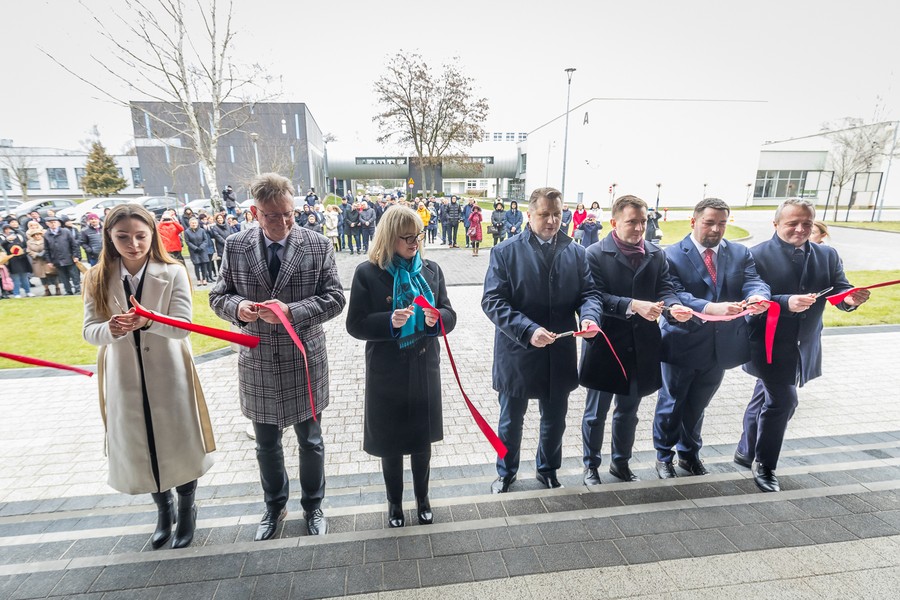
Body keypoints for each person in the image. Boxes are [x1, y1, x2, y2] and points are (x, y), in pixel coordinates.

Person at [209, 173, 345, 539]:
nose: (284, 222)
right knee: (266, 444)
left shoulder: (317, 245)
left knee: (311, 441)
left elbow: (335, 298)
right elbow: (218, 296)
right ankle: (274, 507)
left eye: (289, 213)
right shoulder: (235, 246)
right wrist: (239, 309)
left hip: (304, 360)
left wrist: (291, 312)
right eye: (273, 216)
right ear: (255, 212)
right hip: (258, 363)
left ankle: (314, 507)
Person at [82, 204, 215, 550]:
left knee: (178, 441)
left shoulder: (172, 272)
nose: (133, 244)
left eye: (141, 236)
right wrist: (110, 329)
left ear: (152, 235)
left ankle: (186, 509)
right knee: (143, 444)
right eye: (123, 237)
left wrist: (149, 320)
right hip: (123, 375)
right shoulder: (96, 277)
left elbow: (183, 326)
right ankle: (162, 509)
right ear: (109, 237)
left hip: (169, 372)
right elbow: (89, 331)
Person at [737, 198, 869, 492]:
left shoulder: (827, 255)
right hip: (767, 343)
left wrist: (849, 299)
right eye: (792, 223)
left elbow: (839, 287)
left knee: (765, 396)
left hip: (805, 343)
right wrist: (785, 302)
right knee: (784, 401)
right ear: (775, 225)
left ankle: (745, 450)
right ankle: (765, 465)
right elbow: (750, 296)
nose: (800, 229)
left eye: (807, 223)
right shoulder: (754, 255)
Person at [482, 187, 602, 493]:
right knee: (511, 420)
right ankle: (505, 472)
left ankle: (547, 469)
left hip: (558, 350)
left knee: (555, 419)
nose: (551, 221)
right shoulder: (505, 252)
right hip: (517, 350)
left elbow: (589, 293)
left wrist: (589, 317)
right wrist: (527, 329)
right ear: (529, 214)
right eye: (544, 214)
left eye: (557, 214)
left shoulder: (576, 252)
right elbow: (493, 301)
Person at [346, 206, 455, 528]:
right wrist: (389, 323)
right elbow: (355, 324)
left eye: (418, 235)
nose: (414, 243)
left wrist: (438, 320)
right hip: (387, 370)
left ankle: (423, 498)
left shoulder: (432, 270)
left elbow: (449, 312)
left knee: (421, 441)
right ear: (389, 237)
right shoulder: (368, 272)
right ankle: (394, 503)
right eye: (406, 237)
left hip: (423, 366)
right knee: (390, 443)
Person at [578, 195, 692, 485]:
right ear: (614, 222)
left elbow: (665, 288)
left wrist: (673, 306)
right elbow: (594, 296)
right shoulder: (593, 253)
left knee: (629, 412)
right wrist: (632, 305)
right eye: (632, 221)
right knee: (595, 414)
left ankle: (620, 463)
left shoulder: (656, 253)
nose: (640, 227)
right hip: (606, 344)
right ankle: (591, 465)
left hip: (642, 346)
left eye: (644, 221)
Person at [653, 198, 769, 479]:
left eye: (722, 223)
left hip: (720, 347)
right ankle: (663, 456)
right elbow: (675, 292)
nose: (716, 229)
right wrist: (709, 308)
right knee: (672, 403)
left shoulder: (740, 253)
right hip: (682, 342)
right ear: (694, 222)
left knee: (698, 405)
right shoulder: (671, 255)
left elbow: (754, 280)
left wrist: (758, 295)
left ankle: (689, 454)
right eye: (709, 222)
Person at [43, 214, 82, 295]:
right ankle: (68, 291)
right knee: (63, 277)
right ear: (48, 224)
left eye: (54, 222)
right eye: (50, 223)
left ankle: (78, 289)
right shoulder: (47, 234)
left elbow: (74, 245)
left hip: (69, 257)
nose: (53, 224)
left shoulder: (66, 232)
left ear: (58, 223)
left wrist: (76, 256)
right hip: (57, 259)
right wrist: (49, 261)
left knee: (74, 275)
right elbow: (46, 249)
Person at [25, 224, 57, 295]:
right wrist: (35, 254)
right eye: (35, 235)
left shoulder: (46, 240)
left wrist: (45, 253)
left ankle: (57, 288)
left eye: (38, 234)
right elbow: (28, 251)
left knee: (53, 274)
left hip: (47, 260)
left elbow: (51, 248)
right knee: (42, 277)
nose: (37, 236)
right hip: (37, 261)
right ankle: (47, 290)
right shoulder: (29, 242)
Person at [1, 224, 31, 297]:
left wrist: (22, 251)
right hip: (11, 261)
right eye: (6, 229)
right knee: (15, 278)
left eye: (10, 229)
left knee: (25, 277)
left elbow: (25, 246)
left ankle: (28, 291)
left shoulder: (19, 236)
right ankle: (16, 293)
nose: (8, 231)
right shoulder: (3, 238)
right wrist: (7, 240)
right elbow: (2, 246)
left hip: (22, 259)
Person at [184, 217, 212, 286]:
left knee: (204, 265)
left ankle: (204, 279)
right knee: (196, 265)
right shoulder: (187, 232)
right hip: (194, 251)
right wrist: (195, 248)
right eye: (192, 223)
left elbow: (205, 240)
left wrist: (201, 247)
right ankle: (198, 279)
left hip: (202, 250)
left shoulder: (202, 230)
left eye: (195, 223)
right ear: (190, 224)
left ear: (197, 223)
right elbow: (187, 242)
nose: (194, 224)